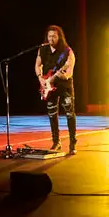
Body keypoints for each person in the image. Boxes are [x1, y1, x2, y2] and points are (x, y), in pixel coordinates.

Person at [35, 25, 77, 153]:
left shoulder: (67, 51)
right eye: (49, 36)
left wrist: (59, 75)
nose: (51, 38)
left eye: (54, 36)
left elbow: (68, 73)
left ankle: (72, 143)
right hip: (48, 87)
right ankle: (56, 142)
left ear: (59, 37)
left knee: (69, 113)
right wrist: (41, 78)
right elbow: (37, 65)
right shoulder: (42, 49)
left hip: (64, 86)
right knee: (52, 114)